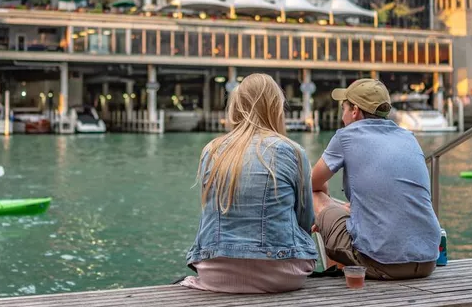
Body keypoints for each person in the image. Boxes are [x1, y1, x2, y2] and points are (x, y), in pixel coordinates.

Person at [183, 73, 317, 294]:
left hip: (215, 272)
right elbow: (305, 221)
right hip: (282, 273)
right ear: (276, 108)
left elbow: (209, 212)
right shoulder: (293, 151)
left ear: (236, 106)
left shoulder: (212, 150)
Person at [311, 78, 441, 280]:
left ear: (355, 111)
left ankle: (340, 273)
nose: (342, 116)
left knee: (316, 197)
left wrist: (328, 207)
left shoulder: (346, 136)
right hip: (427, 262)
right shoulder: (408, 137)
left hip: (381, 264)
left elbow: (312, 184)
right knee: (344, 213)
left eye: (343, 109)